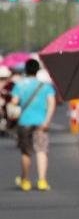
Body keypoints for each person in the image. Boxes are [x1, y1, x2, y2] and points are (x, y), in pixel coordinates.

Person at [10, 59, 57, 191]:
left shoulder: (19, 85)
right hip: (41, 122)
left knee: (26, 152)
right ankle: (42, 180)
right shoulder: (46, 86)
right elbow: (51, 104)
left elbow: (14, 102)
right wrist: (47, 121)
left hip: (24, 122)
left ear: (25, 70)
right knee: (41, 150)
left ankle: (25, 181)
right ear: (37, 70)